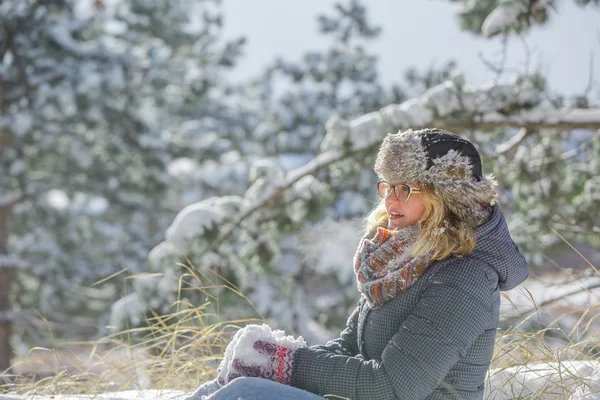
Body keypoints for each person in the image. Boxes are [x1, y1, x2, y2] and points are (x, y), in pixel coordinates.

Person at [187, 128, 529, 400]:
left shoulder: (464, 278)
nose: (390, 200)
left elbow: (393, 388)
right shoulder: (401, 263)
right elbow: (350, 348)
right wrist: (276, 360)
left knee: (248, 395)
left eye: (406, 189)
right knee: (229, 389)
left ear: (445, 198)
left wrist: (286, 366)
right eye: (388, 187)